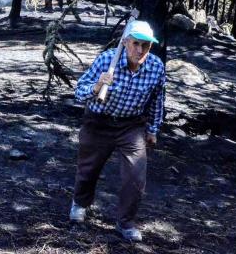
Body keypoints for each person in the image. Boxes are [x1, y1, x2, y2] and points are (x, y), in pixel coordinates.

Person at [69, 20, 166, 243]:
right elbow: (78, 91)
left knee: (136, 175)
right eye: (135, 44)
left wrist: (152, 130)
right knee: (88, 169)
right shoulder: (106, 60)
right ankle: (80, 203)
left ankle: (125, 222)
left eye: (146, 46)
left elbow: (157, 101)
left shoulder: (156, 67)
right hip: (98, 122)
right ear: (125, 42)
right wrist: (96, 87)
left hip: (131, 126)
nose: (140, 50)